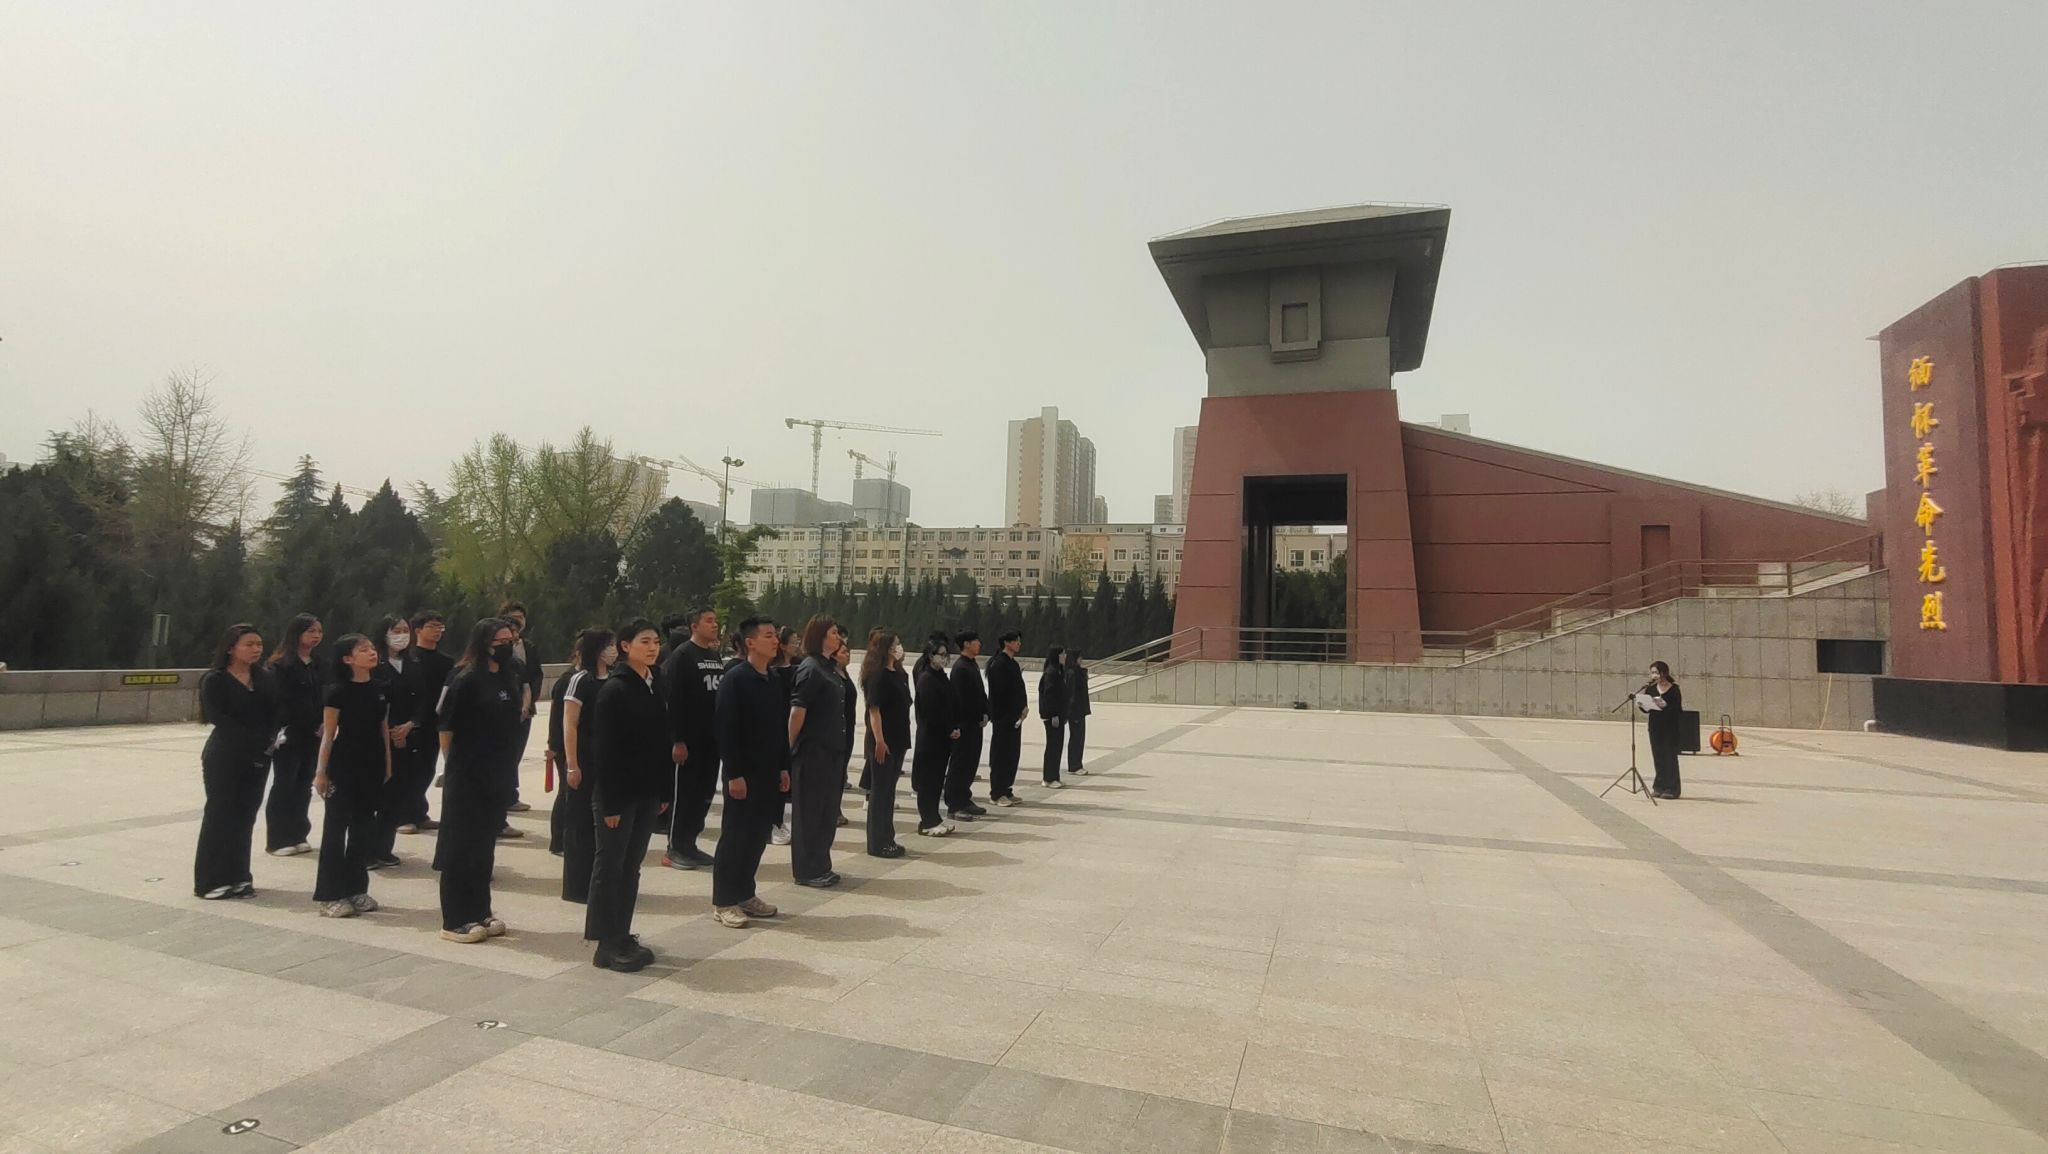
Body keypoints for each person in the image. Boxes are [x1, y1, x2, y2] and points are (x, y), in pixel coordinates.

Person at [432, 618, 523, 944]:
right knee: (461, 847)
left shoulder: (508, 677)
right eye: (501, 641)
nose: (507, 645)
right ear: (484, 643)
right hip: (466, 774)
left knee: (484, 847)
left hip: (496, 774)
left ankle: (480, 909)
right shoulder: (466, 679)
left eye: (510, 640)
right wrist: (454, 766)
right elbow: (446, 728)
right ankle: (455, 919)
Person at [588, 619, 670, 971]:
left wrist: (664, 789)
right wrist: (611, 803)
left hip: (647, 791)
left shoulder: (654, 683)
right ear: (625, 646)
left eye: (656, 642)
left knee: (631, 868)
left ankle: (622, 933)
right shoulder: (615, 690)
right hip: (618, 796)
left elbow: (662, 740)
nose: (652, 648)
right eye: (644, 641)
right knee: (610, 867)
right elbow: (605, 751)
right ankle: (605, 942)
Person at [710, 616, 790, 928]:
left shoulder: (773, 679)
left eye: (776, 635)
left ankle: (745, 893)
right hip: (743, 773)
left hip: (768, 772)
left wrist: (783, 766)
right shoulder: (735, 679)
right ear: (750, 643)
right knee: (736, 836)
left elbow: (780, 728)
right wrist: (734, 773)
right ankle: (724, 901)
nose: (775, 640)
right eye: (768, 635)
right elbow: (726, 729)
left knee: (757, 836)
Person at [195, 624, 280, 899]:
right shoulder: (215, 680)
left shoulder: (264, 678)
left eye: (259, 644)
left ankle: (239, 875)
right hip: (226, 755)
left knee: (245, 816)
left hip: (259, 756)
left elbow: (276, 712)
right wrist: (254, 740)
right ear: (231, 648)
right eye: (249, 644)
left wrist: (270, 739)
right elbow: (218, 717)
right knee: (221, 815)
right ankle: (211, 880)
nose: (256, 649)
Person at [312, 634, 391, 918]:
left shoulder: (381, 688)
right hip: (343, 765)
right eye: (363, 650)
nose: (371, 652)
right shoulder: (337, 691)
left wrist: (388, 764)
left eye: (372, 648)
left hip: (372, 765)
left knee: (362, 829)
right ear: (347, 659)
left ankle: (357, 887)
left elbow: (383, 728)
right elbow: (328, 734)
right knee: (335, 830)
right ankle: (329, 894)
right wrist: (321, 772)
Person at [787, 617, 849, 887]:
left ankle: (821, 863)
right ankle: (806, 870)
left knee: (826, 812)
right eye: (833, 633)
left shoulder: (829, 667)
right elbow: (797, 712)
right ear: (820, 636)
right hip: (813, 751)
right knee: (809, 813)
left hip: (833, 750)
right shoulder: (810, 668)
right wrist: (788, 749)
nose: (839, 638)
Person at [661, 606, 723, 871]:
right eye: (709, 621)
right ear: (694, 626)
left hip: (711, 741)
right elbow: (673, 700)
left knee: (703, 795)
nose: (715, 625)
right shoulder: (682, 655)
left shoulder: (714, 655)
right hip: (688, 741)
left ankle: (690, 844)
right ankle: (674, 847)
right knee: (684, 795)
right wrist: (678, 740)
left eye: (716, 621)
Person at [555, 629, 612, 904]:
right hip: (584, 760)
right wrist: (572, 765)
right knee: (579, 822)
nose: (613, 650)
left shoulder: (614, 678)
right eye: (609, 645)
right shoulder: (580, 680)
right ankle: (577, 886)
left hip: (607, 761)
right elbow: (570, 724)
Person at [263, 613, 323, 857]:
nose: (316, 636)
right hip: (289, 734)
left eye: (319, 632)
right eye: (311, 631)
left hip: (314, 734)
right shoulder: (281, 665)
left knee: (303, 784)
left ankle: (298, 833)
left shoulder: (317, 664)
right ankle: (278, 839)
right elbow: (278, 702)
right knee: (285, 783)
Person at [364, 615, 415, 871]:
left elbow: (424, 699)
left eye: (406, 630)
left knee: (395, 797)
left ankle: (384, 848)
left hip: (407, 735)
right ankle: (366, 850)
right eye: (396, 630)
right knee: (375, 797)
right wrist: (392, 728)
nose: (402, 635)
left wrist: (411, 724)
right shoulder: (375, 664)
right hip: (379, 736)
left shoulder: (413, 664)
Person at [397, 610, 450, 834]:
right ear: (417, 630)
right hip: (409, 723)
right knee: (407, 771)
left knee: (426, 770)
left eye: (440, 627)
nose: (437, 631)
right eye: (432, 626)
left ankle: (419, 813)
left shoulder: (446, 661)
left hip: (434, 722)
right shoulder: (407, 658)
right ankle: (402, 816)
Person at [861, 631, 910, 858]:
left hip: (899, 738)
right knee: (880, 792)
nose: (899, 647)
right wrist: (879, 740)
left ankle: (887, 838)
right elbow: (874, 711)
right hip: (883, 741)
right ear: (887, 648)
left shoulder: (899, 673)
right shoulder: (877, 676)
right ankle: (877, 842)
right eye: (896, 644)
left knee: (889, 791)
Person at [499, 600, 543, 818]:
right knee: (503, 755)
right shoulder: (497, 651)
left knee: (516, 753)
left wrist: (529, 701)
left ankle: (510, 795)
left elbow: (534, 675)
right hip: (503, 708)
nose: (519, 622)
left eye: (521, 618)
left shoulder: (530, 647)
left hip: (525, 709)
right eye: (514, 618)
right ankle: (503, 796)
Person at [912, 638, 960, 837]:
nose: (944, 658)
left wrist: (954, 726)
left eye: (946, 655)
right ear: (931, 656)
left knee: (937, 781)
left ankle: (935, 817)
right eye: (941, 654)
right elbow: (931, 712)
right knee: (928, 782)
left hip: (943, 740)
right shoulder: (926, 679)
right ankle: (927, 821)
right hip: (931, 738)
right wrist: (948, 729)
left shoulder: (941, 677)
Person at [946, 631, 989, 820]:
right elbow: (961, 700)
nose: (979, 644)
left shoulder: (972, 665)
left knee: (971, 763)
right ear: (966, 644)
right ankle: (954, 804)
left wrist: (986, 712)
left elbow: (980, 693)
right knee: (960, 764)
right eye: (975, 641)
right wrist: (975, 716)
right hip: (964, 724)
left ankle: (964, 798)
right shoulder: (960, 668)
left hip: (975, 724)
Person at [767, 625, 802, 846]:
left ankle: (778, 820)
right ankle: (771, 823)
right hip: (777, 728)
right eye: (794, 641)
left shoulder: (798, 667)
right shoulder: (774, 672)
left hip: (792, 728)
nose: (797, 645)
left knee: (784, 777)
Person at [985, 630, 1027, 807]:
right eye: (1016, 641)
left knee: (1012, 754)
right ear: (1007, 643)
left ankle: (1006, 789)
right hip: (1003, 718)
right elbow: (1000, 694)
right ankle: (997, 792)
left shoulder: (1012, 664)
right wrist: (1011, 711)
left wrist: (1023, 707)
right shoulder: (999, 664)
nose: (1019, 644)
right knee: (1001, 755)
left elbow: (1019, 688)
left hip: (1015, 718)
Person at [1641, 660, 1685, 799]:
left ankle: (1672, 788)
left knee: (1669, 757)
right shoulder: (1651, 689)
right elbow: (1646, 709)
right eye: (1652, 673)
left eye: (1656, 672)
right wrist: (1643, 704)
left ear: (1664, 673)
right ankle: (1659, 786)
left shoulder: (1674, 689)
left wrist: (1665, 705)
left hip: (1670, 727)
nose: (1654, 675)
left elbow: (1678, 709)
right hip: (1655, 727)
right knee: (1658, 757)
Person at [1038, 645, 1069, 788]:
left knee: (1057, 746)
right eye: (1062, 654)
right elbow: (1049, 696)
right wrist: (1054, 714)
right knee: (1052, 746)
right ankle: (1048, 778)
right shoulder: (1051, 673)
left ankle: (1054, 776)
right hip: (1052, 717)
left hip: (1059, 715)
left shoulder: (1059, 671)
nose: (1065, 657)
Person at [834, 638, 857, 827]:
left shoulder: (845, 674)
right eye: (843, 652)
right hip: (836, 730)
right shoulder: (832, 675)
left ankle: (836, 808)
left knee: (841, 772)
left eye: (848, 652)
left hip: (848, 729)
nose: (847, 655)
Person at [1064, 649, 1092, 775]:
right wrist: (1072, 711)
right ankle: (1074, 765)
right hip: (1075, 711)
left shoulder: (1078, 672)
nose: (1081, 660)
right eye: (1079, 657)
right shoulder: (1072, 674)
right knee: (1076, 738)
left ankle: (1077, 763)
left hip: (1080, 710)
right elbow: (1072, 694)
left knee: (1080, 738)